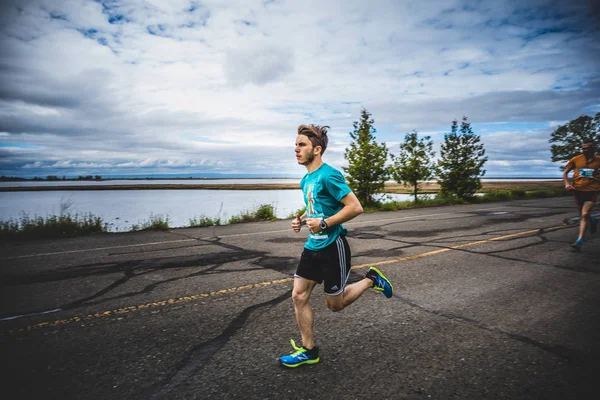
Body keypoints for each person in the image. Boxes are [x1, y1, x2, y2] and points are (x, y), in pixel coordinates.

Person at [279, 124, 394, 368]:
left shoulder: (329, 175)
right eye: (295, 145)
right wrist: (301, 219)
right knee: (298, 295)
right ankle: (309, 351)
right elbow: (316, 207)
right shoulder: (306, 180)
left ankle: (371, 279)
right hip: (313, 247)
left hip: (333, 246)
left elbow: (355, 207)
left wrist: (325, 223)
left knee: (335, 304)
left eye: (302, 145)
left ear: (317, 149)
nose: (295, 149)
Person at [563, 141, 600, 251]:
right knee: (582, 215)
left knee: (584, 214)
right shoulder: (576, 159)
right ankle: (592, 220)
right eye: (583, 148)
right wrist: (567, 184)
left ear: (593, 148)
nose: (585, 150)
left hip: (592, 190)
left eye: (587, 148)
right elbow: (565, 173)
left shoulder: (598, 160)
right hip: (578, 190)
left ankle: (579, 240)